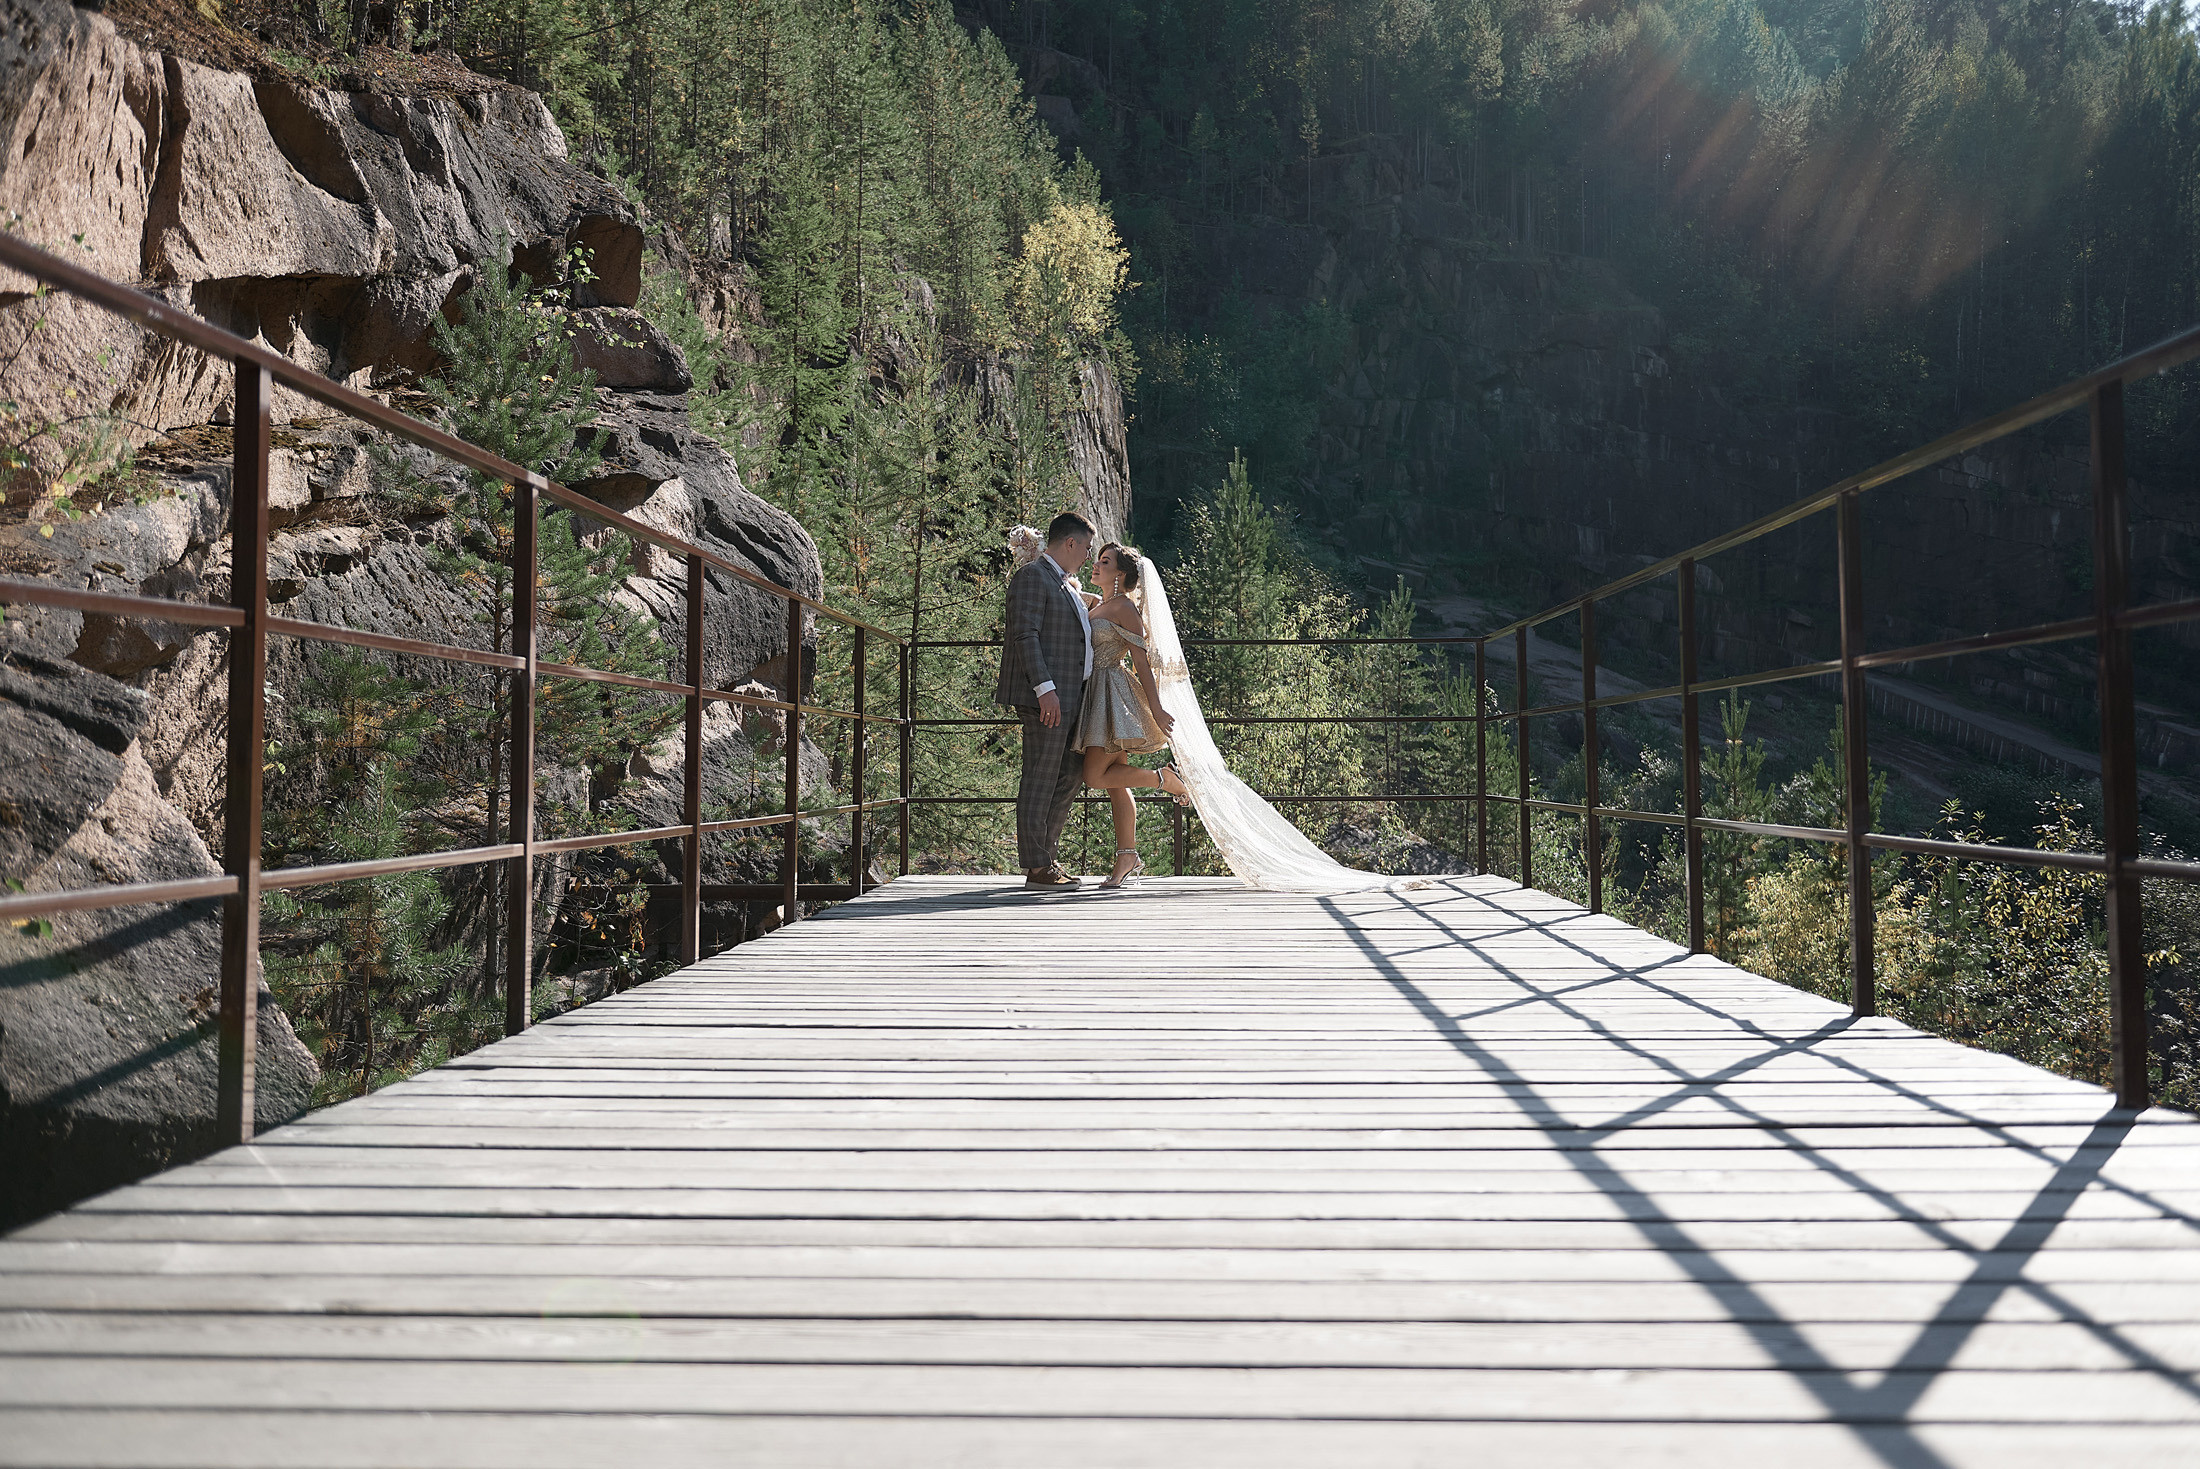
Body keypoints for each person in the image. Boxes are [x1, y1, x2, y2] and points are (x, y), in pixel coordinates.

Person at [1074, 543, 1189, 888]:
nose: (1095, 565)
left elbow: (1141, 661)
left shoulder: (1124, 608)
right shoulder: (1101, 604)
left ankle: (1163, 780)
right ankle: (1127, 855)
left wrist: (1155, 709)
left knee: (1095, 777)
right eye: (1097, 560)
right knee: (1115, 782)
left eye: (1104, 562)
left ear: (1120, 575)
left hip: (1112, 693)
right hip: (1095, 692)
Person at [995, 512, 1096, 889]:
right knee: (1040, 776)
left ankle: (1046, 858)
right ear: (1069, 543)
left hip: (1072, 697)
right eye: (1086, 547)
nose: (1088, 555)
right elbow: (1025, 636)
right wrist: (1045, 690)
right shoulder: (1032, 577)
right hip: (1048, 698)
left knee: (1069, 774)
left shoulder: (1061, 581)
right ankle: (1037, 868)